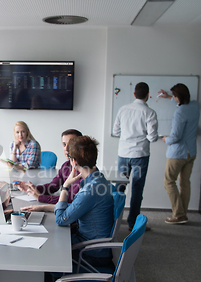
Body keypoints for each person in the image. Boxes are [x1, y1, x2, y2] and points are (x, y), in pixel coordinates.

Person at [50, 136, 114, 268]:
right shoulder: (99, 179)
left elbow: (61, 219)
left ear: (74, 162)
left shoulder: (89, 190)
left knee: (49, 249)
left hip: (91, 253)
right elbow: (76, 207)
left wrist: (66, 186)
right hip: (96, 246)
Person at [113, 82, 158, 231]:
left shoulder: (123, 109)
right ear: (148, 95)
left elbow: (116, 131)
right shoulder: (150, 112)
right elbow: (152, 138)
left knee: (119, 187)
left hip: (124, 153)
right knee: (137, 190)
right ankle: (132, 224)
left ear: (134, 94)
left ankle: (112, 220)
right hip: (140, 155)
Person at [158, 84, 200, 224]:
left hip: (178, 153)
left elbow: (175, 136)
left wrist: (165, 139)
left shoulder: (180, 112)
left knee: (169, 181)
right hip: (191, 152)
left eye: (174, 96)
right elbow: (183, 102)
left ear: (178, 97)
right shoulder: (195, 105)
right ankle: (182, 214)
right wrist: (169, 97)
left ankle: (178, 214)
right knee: (184, 183)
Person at [15, 129, 83, 209]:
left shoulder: (83, 171)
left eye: (70, 145)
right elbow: (53, 186)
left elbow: (70, 200)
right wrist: (32, 188)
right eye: (64, 144)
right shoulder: (66, 166)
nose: (66, 149)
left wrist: (40, 197)